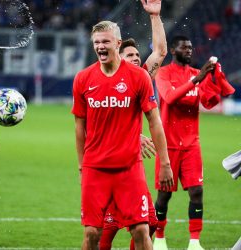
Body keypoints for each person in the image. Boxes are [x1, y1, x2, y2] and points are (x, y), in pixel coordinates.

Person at [72, 20, 174, 250]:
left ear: (117, 43)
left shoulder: (139, 77)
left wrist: (165, 162)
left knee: (141, 229)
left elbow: (155, 121)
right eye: (96, 42)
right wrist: (81, 167)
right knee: (91, 233)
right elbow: (79, 127)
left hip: (129, 169)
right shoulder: (83, 79)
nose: (100, 46)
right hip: (95, 169)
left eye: (105, 41)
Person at [153, 35, 235, 250]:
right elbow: (169, 98)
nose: (189, 51)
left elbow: (209, 103)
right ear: (173, 50)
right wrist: (198, 78)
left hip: (191, 144)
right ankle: (159, 238)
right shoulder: (163, 73)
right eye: (184, 47)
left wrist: (214, 79)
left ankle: (194, 241)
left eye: (191, 47)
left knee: (197, 192)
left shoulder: (194, 74)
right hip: (168, 144)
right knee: (164, 194)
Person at [99, 0, 167, 249]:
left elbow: (160, 52)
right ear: (119, 56)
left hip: (131, 167)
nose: (137, 59)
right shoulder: (103, 79)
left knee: (149, 224)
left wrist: (155, 16)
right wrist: (131, 136)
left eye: (138, 55)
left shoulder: (140, 79)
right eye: (131, 55)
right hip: (109, 163)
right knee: (105, 231)